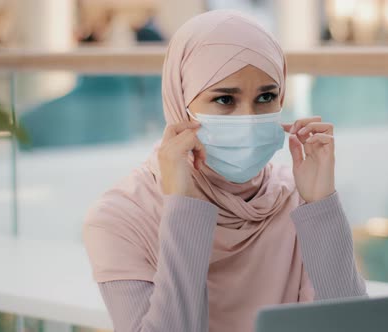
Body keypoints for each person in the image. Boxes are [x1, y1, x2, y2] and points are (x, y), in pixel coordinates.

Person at [82, 10, 367, 332]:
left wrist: (320, 204)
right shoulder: (121, 216)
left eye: (266, 96)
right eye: (224, 99)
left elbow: (351, 325)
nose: (247, 118)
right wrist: (184, 209)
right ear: (181, 101)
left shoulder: (297, 196)